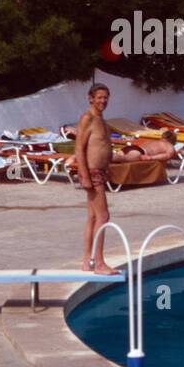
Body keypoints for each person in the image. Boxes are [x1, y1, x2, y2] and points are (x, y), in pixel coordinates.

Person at [75, 83, 115, 273]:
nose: (103, 101)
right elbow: (79, 149)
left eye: (105, 97)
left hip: (101, 172)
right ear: (90, 98)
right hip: (93, 173)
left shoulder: (102, 119)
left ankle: (87, 261)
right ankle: (99, 263)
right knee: (103, 216)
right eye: (99, 97)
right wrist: (84, 176)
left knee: (92, 216)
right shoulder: (88, 118)